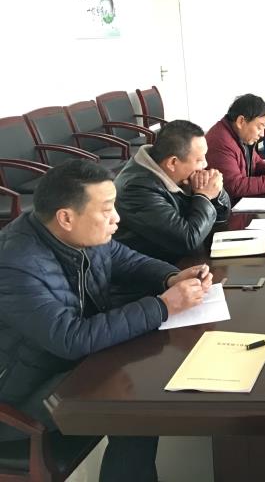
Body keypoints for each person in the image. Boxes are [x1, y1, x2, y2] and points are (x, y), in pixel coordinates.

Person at [0, 160, 214, 482]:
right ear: (66, 217)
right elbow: (71, 338)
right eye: (106, 210)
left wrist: (171, 277)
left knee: (144, 379)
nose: (117, 218)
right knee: (134, 408)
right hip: (18, 397)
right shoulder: (17, 266)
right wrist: (162, 306)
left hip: (61, 365)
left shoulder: (73, 234)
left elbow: (125, 259)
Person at [113, 120, 231, 263]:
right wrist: (204, 196)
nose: (205, 164)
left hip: (182, 260)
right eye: (199, 160)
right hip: (155, 269)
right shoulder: (136, 189)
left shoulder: (178, 174)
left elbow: (223, 217)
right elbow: (187, 240)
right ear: (172, 163)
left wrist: (216, 192)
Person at [205, 93, 265, 202]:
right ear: (241, 121)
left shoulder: (240, 135)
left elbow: (256, 163)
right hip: (227, 207)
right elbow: (235, 186)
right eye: (259, 127)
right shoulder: (221, 141)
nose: (262, 134)